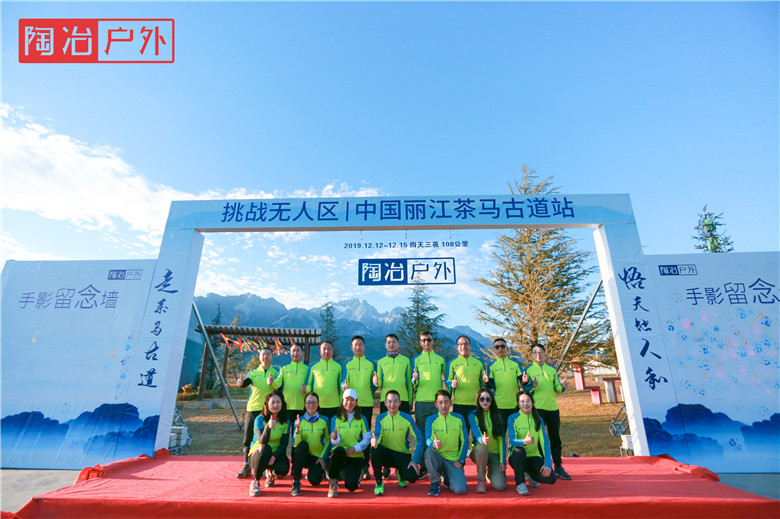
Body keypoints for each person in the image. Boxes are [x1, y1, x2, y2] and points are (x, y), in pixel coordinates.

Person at [525, 342, 572, 480]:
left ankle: (558, 466)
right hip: (537, 409)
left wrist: (563, 386)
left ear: (545, 354)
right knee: (539, 439)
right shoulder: (528, 370)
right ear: (532, 355)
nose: (538, 355)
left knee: (555, 438)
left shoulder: (551, 370)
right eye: (535, 352)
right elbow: (525, 390)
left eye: (541, 352)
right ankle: (539, 467)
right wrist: (531, 386)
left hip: (552, 408)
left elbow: (557, 388)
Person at [371, 390, 423, 495]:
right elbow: (378, 434)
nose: (392, 404)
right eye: (389, 401)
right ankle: (379, 482)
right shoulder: (380, 418)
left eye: (395, 401)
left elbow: (420, 438)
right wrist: (375, 441)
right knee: (374, 449)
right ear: (385, 403)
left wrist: (415, 460)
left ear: (399, 403)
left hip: (402, 455)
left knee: (412, 477)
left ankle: (400, 473)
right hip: (386, 455)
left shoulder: (407, 418)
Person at [237, 347, 278, 479]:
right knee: (248, 438)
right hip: (253, 409)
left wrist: (272, 383)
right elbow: (245, 383)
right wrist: (241, 383)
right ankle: (246, 465)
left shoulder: (276, 372)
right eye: (263, 354)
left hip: (267, 410)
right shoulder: (253, 372)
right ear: (259, 357)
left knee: (265, 438)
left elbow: (279, 388)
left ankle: (264, 466)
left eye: (268, 354)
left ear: (272, 357)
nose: (265, 356)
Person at [507, 390, 557, 495]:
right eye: (522, 401)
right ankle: (520, 483)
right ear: (518, 403)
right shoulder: (512, 418)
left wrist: (548, 464)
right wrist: (524, 441)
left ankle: (531, 474)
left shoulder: (538, 419)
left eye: (528, 401)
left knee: (551, 478)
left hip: (534, 456)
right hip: (517, 456)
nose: (525, 404)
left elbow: (544, 443)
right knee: (519, 451)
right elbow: (512, 440)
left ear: (532, 402)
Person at [342, 335, 376, 478]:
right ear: (351, 347)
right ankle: (348, 464)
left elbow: (374, 386)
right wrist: (343, 386)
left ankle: (364, 466)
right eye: (355, 345)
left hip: (366, 403)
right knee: (350, 434)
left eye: (360, 344)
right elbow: (344, 382)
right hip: (351, 405)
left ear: (364, 346)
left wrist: (372, 389)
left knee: (365, 435)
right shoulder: (347, 364)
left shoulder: (371, 364)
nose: (358, 347)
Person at [411, 331, 446, 474]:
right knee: (423, 435)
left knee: (439, 434)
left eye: (429, 340)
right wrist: (414, 380)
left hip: (437, 403)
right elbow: (413, 382)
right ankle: (424, 466)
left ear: (433, 341)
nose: (426, 343)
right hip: (420, 402)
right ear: (420, 342)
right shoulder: (416, 359)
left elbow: (448, 380)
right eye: (423, 340)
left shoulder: (441, 359)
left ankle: (439, 466)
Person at [327, 388, 371, 497]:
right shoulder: (336, 418)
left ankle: (355, 473)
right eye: (346, 400)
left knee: (351, 487)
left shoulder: (362, 419)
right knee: (338, 450)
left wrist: (355, 448)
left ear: (356, 402)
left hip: (355, 455)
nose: (349, 403)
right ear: (342, 401)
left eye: (352, 400)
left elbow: (367, 438)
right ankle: (333, 483)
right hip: (340, 453)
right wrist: (335, 438)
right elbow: (334, 442)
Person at [424, 390, 468, 496]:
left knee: (460, 490)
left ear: (450, 403)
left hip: (453, 460)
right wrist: (433, 444)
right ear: (436, 404)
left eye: (446, 402)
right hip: (438, 457)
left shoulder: (458, 418)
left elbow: (465, 440)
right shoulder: (431, 419)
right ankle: (435, 482)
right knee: (429, 452)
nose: (443, 405)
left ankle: (448, 478)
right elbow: (428, 439)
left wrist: (461, 460)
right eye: (440, 402)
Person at [247, 391, 290, 496]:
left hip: (274, 455)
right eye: (273, 402)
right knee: (265, 448)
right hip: (259, 454)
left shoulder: (286, 421)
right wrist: (268, 427)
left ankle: (271, 473)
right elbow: (262, 441)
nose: (276, 405)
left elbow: (284, 444)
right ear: (267, 404)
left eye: (278, 402)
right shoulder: (259, 419)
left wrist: (274, 457)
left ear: (282, 404)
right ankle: (255, 481)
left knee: (283, 468)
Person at [290, 391, 330, 496]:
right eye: (308, 402)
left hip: (316, 457)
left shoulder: (324, 420)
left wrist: (322, 457)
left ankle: (317, 472)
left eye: (314, 402)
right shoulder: (300, 420)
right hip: (302, 456)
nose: (311, 405)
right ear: (304, 405)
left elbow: (328, 440)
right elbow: (295, 444)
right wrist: (297, 429)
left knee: (314, 481)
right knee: (302, 445)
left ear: (318, 404)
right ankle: (296, 482)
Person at [468, 388, 507, 493]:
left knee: (500, 486)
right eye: (482, 399)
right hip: (479, 452)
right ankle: (481, 480)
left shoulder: (498, 415)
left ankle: (491, 472)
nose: (485, 402)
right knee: (482, 448)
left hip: (494, 455)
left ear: (492, 400)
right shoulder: (473, 415)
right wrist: (481, 439)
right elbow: (476, 432)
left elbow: (501, 440)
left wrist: (502, 460)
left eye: (488, 399)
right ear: (478, 400)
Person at [486, 338, 531, 424]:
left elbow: (521, 381)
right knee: (500, 434)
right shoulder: (491, 366)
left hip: (515, 404)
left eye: (502, 346)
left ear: (507, 348)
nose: (500, 349)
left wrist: (525, 381)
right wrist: (487, 381)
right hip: (499, 405)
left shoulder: (515, 363)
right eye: (497, 347)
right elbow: (490, 386)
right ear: (494, 349)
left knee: (517, 433)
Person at [446, 335, 484, 437]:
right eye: (460, 344)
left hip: (476, 405)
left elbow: (483, 384)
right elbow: (447, 381)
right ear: (457, 347)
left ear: (470, 346)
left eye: (466, 343)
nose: (463, 346)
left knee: (478, 436)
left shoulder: (479, 363)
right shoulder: (452, 363)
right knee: (461, 436)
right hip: (459, 405)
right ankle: (463, 453)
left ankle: (474, 453)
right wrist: (451, 384)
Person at [375, 334, 413, 414]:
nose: (391, 344)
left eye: (394, 342)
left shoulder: (406, 360)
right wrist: (376, 382)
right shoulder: (381, 362)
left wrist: (410, 401)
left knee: (403, 425)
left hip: (403, 399)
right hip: (386, 400)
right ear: (385, 345)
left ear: (398, 343)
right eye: (389, 342)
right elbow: (379, 383)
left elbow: (409, 383)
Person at [270, 343, 309, 419]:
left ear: (302, 352)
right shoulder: (284, 368)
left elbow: (310, 384)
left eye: (298, 350)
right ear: (290, 353)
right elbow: (277, 384)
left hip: (303, 406)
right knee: (286, 430)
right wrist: (272, 382)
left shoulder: (308, 368)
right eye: (293, 351)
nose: (295, 353)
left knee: (299, 430)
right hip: (286, 406)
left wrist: (306, 388)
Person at [306, 341, 343, 421]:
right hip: (317, 406)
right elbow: (309, 385)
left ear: (332, 351)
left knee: (332, 431)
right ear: (320, 351)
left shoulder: (339, 366)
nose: (326, 351)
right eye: (324, 349)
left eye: (329, 349)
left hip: (334, 405)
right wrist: (305, 389)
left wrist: (341, 404)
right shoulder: (313, 366)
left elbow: (341, 387)